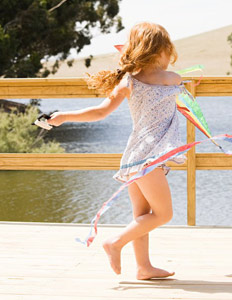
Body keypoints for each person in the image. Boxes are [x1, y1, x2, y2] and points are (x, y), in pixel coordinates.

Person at [48, 22, 187, 280]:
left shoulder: (128, 81)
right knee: (164, 213)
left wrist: (64, 116)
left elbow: (100, 112)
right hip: (150, 158)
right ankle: (115, 242)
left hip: (133, 155)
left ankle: (144, 267)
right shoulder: (172, 80)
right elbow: (182, 85)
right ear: (160, 52)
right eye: (169, 52)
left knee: (142, 215)